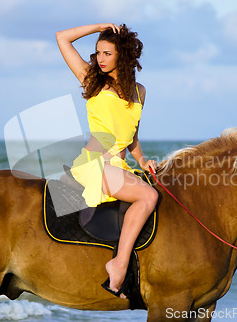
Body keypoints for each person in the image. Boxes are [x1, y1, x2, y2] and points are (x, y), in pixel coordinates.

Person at [56, 23, 158, 298]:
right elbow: (62, 37)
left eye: (107, 53)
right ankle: (119, 264)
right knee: (148, 197)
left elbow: (131, 136)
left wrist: (143, 161)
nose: (100, 58)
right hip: (96, 165)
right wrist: (100, 27)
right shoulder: (92, 80)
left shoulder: (140, 91)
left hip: (120, 167)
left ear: (121, 56)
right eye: (98, 52)